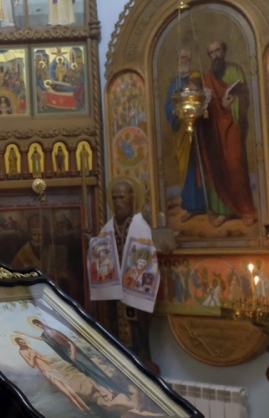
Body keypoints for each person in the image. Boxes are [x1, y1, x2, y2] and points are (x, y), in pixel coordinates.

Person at [195, 41, 258, 227]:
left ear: (224, 51)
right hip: (214, 129)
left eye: (218, 50)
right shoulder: (207, 78)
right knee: (217, 166)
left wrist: (234, 102)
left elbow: (245, 97)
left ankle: (244, 209)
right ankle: (223, 211)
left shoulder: (235, 71)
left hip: (232, 126)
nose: (215, 55)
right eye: (211, 52)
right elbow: (205, 104)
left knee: (235, 165)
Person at [102, 181, 159, 374]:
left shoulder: (140, 227)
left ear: (132, 198)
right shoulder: (107, 228)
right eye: (114, 198)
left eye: (122, 197)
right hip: (115, 292)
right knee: (114, 326)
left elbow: (147, 256)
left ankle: (142, 360)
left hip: (135, 289)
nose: (118, 202)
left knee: (138, 328)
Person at [164, 49, 209, 222]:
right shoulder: (174, 83)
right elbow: (168, 105)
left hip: (199, 130)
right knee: (186, 167)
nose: (184, 61)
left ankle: (205, 204)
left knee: (200, 166)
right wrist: (175, 112)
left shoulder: (196, 77)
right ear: (177, 60)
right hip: (181, 132)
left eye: (187, 58)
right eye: (182, 58)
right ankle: (191, 206)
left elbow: (202, 97)